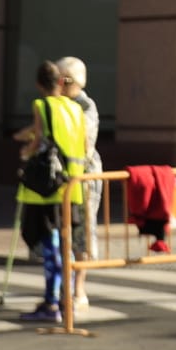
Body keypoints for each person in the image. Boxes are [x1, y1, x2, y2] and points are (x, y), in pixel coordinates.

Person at [12, 60, 86, 324]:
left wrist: (26, 151)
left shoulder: (42, 105)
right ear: (60, 82)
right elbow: (83, 145)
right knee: (66, 245)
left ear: (38, 84)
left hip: (48, 187)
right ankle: (66, 301)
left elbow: (41, 139)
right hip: (72, 185)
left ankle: (51, 302)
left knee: (51, 244)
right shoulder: (76, 109)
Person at [57, 56, 102, 311]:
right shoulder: (58, 104)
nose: (58, 84)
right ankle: (64, 288)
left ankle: (79, 290)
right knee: (64, 233)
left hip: (83, 178)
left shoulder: (85, 106)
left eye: (61, 79)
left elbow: (82, 142)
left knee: (82, 234)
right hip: (63, 178)